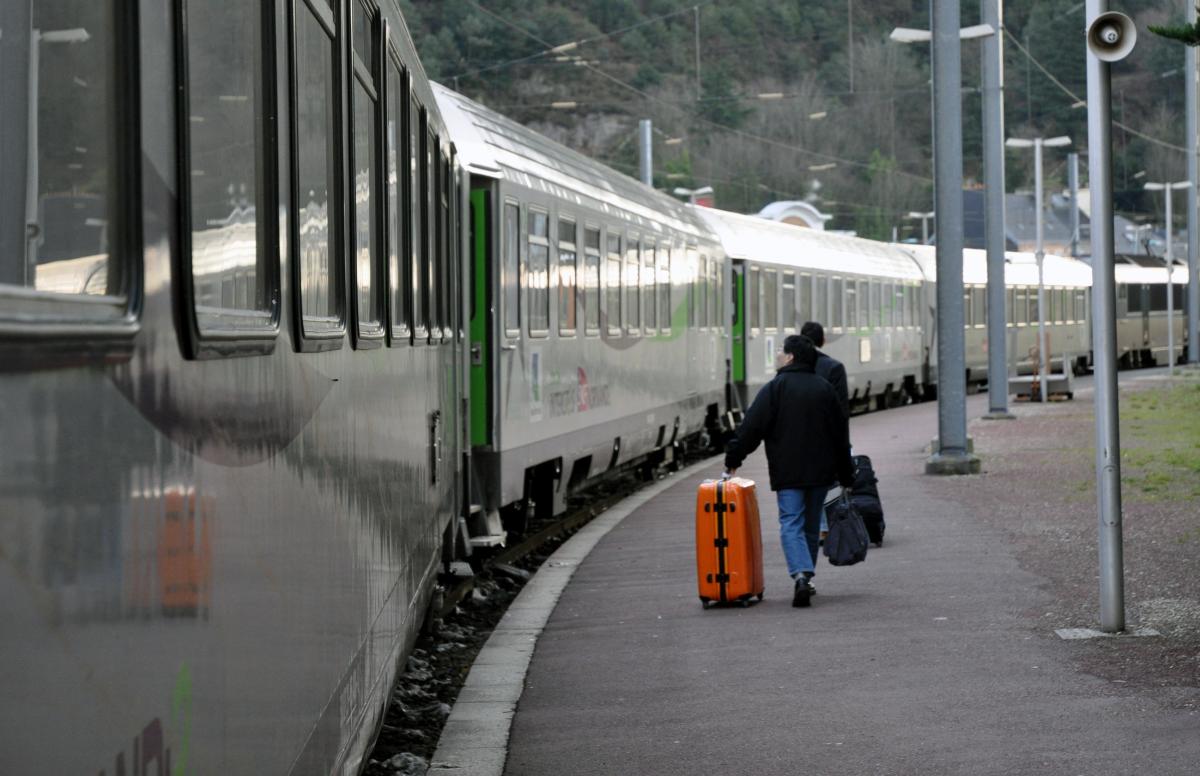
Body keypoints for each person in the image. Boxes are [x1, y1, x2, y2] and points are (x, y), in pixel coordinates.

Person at [723, 334, 855, 608]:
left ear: (791, 357)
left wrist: (735, 457)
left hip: (788, 472)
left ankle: (800, 576)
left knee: (791, 522)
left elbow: (752, 427)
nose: (779, 355)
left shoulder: (776, 388)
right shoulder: (824, 389)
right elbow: (840, 436)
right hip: (821, 473)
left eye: (782, 352)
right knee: (809, 526)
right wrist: (846, 474)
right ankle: (807, 576)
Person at [801, 321, 849, 543]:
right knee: (827, 483)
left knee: (805, 484)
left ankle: (814, 526)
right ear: (823, 341)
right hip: (827, 436)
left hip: (798, 438)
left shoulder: (789, 370)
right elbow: (841, 411)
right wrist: (843, 445)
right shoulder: (834, 368)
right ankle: (826, 525)